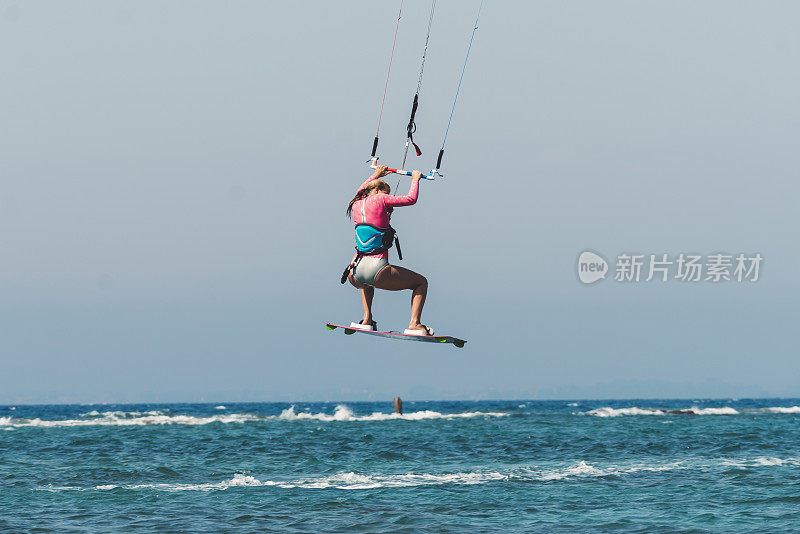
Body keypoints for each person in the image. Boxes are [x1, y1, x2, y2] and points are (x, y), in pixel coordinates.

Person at [344, 165, 432, 336]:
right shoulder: (380, 199)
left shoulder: (356, 203)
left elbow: (360, 190)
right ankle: (414, 324)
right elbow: (410, 199)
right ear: (377, 190)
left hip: (354, 271)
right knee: (421, 282)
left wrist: (375, 174)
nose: (388, 198)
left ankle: (367, 319)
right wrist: (415, 178)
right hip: (377, 269)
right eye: (386, 192)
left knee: (367, 282)